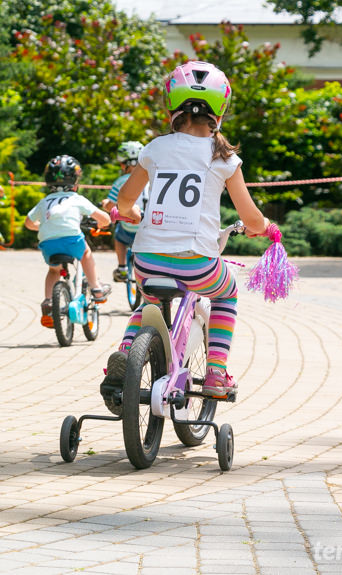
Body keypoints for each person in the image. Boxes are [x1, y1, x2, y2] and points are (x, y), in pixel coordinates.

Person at [100, 61, 270, 414]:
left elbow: (126, 202)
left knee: (146, 304)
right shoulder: (225, 158)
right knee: (227, 293)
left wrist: (132, 215)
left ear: (172, 105)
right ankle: (216, 374)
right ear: (220, 109)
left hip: (146, 259)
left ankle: (124, 355)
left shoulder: (155, 149)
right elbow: (250, 217)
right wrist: (263, 228)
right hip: (198, 263)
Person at [24, 155, 113, 327]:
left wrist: (43, 227)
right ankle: (96, 289)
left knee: (53, 271)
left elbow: (28, 223)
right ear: (75, 180)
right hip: (72, 239)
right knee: (86, 253)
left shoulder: (44, 202)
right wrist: (103, 223)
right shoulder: (76, 199)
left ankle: (48, 303)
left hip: (47, 243)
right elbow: (105, 219)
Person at [101, 141, 148, 282]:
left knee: (119, 238)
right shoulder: (150, 179)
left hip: (129, 228)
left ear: (123, 164)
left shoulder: (121, 181)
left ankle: (122, 268)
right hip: (147, 227)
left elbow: (111, 206)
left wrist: (104, 204)